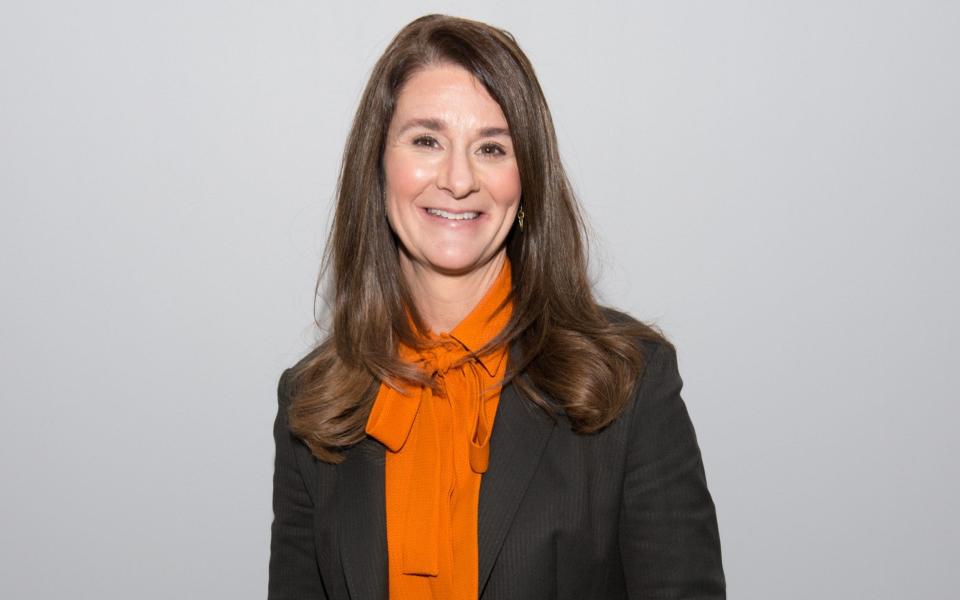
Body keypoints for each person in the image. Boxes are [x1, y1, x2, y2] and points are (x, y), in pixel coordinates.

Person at [269, 14, 725, 600]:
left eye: (491, 147)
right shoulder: (311, 403)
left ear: (526, 177)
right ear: (378, 167)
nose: (459, 180)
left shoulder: (631, 383)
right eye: (426, 140)